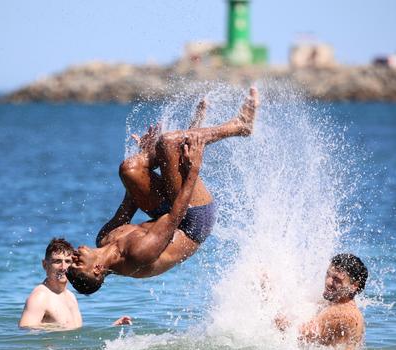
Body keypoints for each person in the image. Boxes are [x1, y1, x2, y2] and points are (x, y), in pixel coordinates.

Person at [67, 87, 260, 295]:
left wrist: (146, 156)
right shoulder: (137, 255)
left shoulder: (103, 238)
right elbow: (176, 217)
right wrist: (193, 169)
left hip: (167, 213)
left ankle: (187, 137)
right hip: (192, 222)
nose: (73, 258)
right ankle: (240, 126)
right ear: (97, 270)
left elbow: (130, 202)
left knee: (129, 169)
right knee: (169, 142)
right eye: (77, 264)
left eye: (71, 262)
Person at [19, 238, 131, 330]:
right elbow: (25, 333)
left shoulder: (70, 296)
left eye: (67, 261)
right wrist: (52, 328)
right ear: (45, 265)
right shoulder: (40, 296)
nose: (63, 267)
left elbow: (76, 334)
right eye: (57, 261)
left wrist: (111, 327)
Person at [274, 253, 369, 350]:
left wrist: (271, 307)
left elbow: (296, 335)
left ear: (354, 286)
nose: (328, 282)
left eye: (337, 280)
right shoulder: (337, 304)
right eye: (328, 274)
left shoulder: (342, 314)